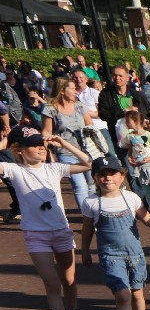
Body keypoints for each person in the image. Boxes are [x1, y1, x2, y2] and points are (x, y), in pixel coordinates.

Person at [0, 125, 94, 310]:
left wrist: (64, 144)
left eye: (41, 144)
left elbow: (88, 163)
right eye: (33, 145)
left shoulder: (54, 168)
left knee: (69, 280)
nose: (41, 148)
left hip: (61, 232)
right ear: (20, 150)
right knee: (52, 284)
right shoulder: (14, 170)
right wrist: (5, 142)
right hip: (36, 236)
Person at [79, 155, 150, 310]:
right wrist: (85, 251)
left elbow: (147, 219)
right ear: (95, 178)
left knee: (137, 293)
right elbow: (87, 229)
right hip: (111, 256)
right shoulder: (91, 202)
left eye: (112, 173)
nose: (107, 178)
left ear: (122, 176)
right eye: (102, 174)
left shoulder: (131, 198)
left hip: (135, 255)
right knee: (122, 295)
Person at [42, 77, 97, 215]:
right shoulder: (50, 109)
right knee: (80, 186)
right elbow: (46, 130)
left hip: (85, 150)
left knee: (91, 184)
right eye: (72, 89)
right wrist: (46, 142)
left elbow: (90, 125)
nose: (75, 91)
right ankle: (87, 216)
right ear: (62, 91)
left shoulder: (80, 106)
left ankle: (94, 213)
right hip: (65, 151)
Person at [120, 108, 150, 210]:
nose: (126, 124)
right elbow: (130, 148)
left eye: (128, 121)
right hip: (139, 166)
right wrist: (130, 157)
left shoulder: (148, 135)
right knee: (146, 190)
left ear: (136, 122)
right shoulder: (129, 136)